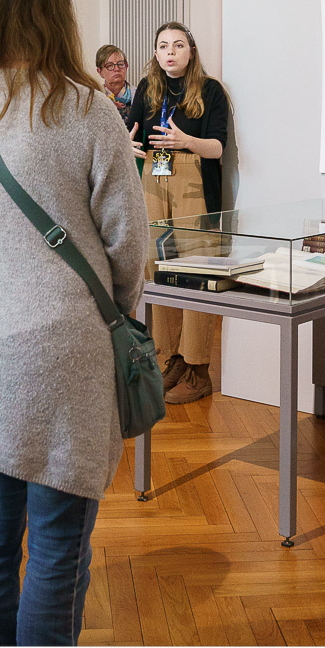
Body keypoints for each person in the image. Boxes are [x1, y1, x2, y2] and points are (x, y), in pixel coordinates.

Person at [0, 0, 148, 646]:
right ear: (59, 15)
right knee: (58, 545)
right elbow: (129, 244)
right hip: (64, 342)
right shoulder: (89, 109)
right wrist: (113, 303)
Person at [124, 22, 229, 405]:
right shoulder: (146, 88)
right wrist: (127, 146)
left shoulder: (211, 90)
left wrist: (186, 141)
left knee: (197, 269)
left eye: (178, 45)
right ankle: (170, 358)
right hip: (152, 176)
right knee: (156, 266)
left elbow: (218, 148)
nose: (170, 52)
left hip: (193, 176)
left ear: (191, 52)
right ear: (155, 53)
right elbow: (130, 133)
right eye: (163, 46)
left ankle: (198, 367)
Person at [95, 44, 134, 116]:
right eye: (109, 66)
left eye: (120, 64)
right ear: (100, 71)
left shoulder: (140, 95)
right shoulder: (95, 99)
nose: (117, 69)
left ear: (126, 66)